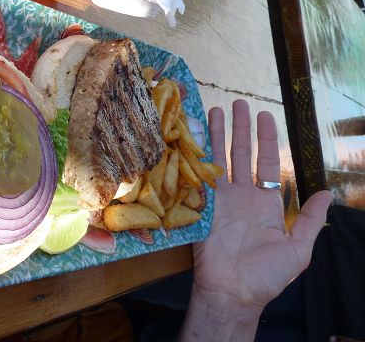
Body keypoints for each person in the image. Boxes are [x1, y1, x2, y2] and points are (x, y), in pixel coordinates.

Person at [119, 100, 334, 341]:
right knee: (142, 301)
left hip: (320, 295)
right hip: (330, 267)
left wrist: (231, 302)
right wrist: (231, 303)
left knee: (137, 312)